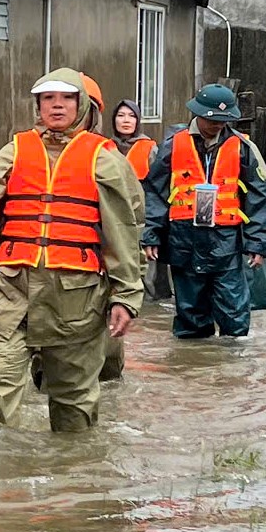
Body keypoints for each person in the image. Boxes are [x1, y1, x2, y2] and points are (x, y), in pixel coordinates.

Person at [0, 69, 143, 431]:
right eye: (48, 99)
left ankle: (71, 479)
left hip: (77, 298)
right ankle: (0, 473)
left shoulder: (105, 159)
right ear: (37, 105)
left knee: (73, 398)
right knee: (0, 383)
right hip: (14, 291)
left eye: (66, 98)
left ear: (82, 105)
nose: (57, 106)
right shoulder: (12, 152)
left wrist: (126, 296)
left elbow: (124, 231)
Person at [140, 84, 266, 338]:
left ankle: (232, 370)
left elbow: (258, 198)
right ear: (198, 114)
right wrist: (152, 233)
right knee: (190, 315)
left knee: (235, 314)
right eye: (212, 119)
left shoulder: (242, 148)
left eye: (223, 120)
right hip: (184, 240)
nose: (216, 125)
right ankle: (191, 370)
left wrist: (258, 243)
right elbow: (155, 193)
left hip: (226, 240)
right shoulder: (172, 146)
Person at [101, 97, 161, 380]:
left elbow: (158, 187)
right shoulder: (104, 148)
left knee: (145, 271)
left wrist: (153, 229)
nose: (125, 120)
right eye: (120, 115)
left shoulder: (150, 148)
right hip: (113, 220)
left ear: (138, 120)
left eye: (131, 116)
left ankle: (142, 305)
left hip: (141, 218)